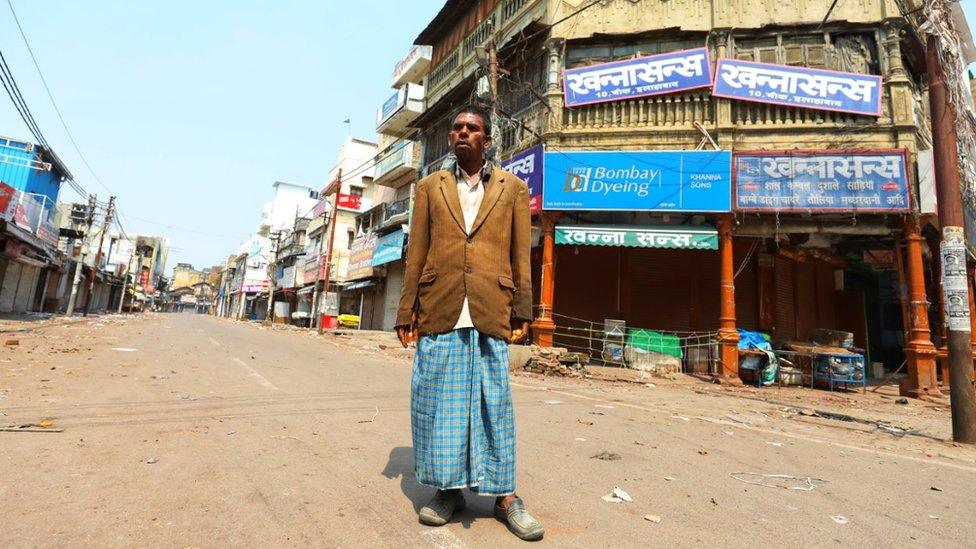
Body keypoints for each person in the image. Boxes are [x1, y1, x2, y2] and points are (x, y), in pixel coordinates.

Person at [395, 103, 542, 541]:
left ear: (487, 139)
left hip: (490, 308)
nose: (462, 133)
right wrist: (407, 311)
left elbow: (521, 255)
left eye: (472, 128)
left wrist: (523, 309)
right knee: (440, 406)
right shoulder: (428, 188)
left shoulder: (513, 188)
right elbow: (416, 252)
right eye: (457, 128)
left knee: (493, 406)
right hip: (440, 306)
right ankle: (448, 490)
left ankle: (505, 498)